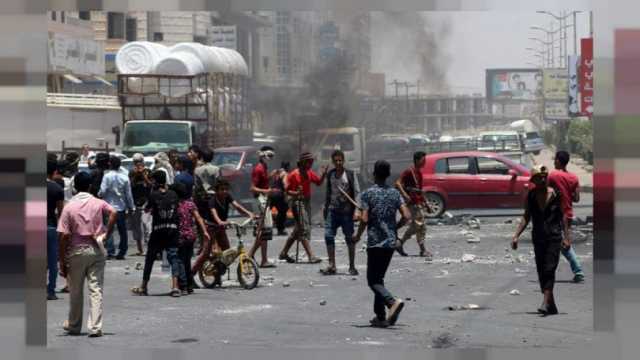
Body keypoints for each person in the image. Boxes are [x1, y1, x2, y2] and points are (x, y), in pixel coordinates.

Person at [57, 171, 118, 337]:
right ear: (90, 186)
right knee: (96, 289)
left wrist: (62, 260)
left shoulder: (69, 206)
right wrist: (106, 234)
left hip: (76, 251)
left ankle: (74, 325)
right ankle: (95, 327)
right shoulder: (98, 203)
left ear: (75, 187)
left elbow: (63, 236)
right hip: (96, 249)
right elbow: (114, 212)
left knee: (76, 291)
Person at [355, 160, 410, 328]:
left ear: (374, 174)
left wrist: (357, 235)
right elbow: (407, 216)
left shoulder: (367, 194)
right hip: (390, 243)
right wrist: (395, 227)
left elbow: (364, 219)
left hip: (375, 243)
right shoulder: (394, 193)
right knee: (379, 279)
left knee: (373, 281)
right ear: (387, 174)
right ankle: (380, 317)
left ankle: (392, 302)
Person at [512, 165, 569, 316]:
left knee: (550, 268)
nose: (543, 179)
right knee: (541, 270)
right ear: (534, 180)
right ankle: (551, 305)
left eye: (545, 176)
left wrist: (567, 237)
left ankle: (545, 302)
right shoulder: (531, 195)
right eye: (539, 177)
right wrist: (516, 235)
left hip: (554, 237)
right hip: (538, 237)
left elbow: (563, 217)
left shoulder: (556, 194)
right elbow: (526, 216)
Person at [131, 170, 183, 297]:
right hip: (172, 230)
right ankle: (175, 287)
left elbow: (147, 209)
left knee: (150, 258)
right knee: (174, 258)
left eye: (152, 180)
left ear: (156, 181)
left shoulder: (153, 195)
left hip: (158, 231)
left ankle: (144, 286)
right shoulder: (173, 194)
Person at [191, 179, 255, 281]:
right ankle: (191, 275)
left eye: (226, 189)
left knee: (227, 251)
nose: (224, 191)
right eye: (222, 189)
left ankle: (218, 271)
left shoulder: (227, 197)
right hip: (210, 228)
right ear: (217, 191)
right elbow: (213, 213)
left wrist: (249, 214)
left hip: (220, 228)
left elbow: (237, 206)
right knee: (206, 253)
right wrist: (220, 221)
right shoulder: (212, 200)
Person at [278, 152, 327, 264]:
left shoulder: (309, 173)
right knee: (303, 228)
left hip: (306, 202)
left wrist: (324, 174)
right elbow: (287, 191)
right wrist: (296, 193)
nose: (311, 163)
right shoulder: (293, 174)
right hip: (297, 202)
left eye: (311, 161)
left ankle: (284, 253)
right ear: (303, 162)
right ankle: (311, 256)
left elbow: (318, 182)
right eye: (309, 161)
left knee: (297, 230)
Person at [320, 150, 361, 276]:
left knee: (350, 239)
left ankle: (352, 266)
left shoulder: (350, 174)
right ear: (333, 161)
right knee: (328, 236)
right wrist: (326, 209)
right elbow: (328, 193)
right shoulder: (331, 174)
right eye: (336, 160)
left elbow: (357, 192)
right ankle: (332, 265)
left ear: (343, 161)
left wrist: (357, 210)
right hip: (333, 211)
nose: (338, 163)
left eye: (340, 160)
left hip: (347, 213)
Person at [548, 150, 585, 283]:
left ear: (558, 161)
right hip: (568, 213)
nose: (554, 161)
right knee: (563, 243)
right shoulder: (574, 178)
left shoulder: (553, 175)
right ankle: (577, 271)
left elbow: (545, 191)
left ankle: (578, 271)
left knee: (558, 243)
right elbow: (576, 198)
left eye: (555, 159)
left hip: (556, 214)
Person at [171, 182, 209, 295]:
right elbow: (198, 218)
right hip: (191, 236)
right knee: (187, 261)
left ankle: (183, 286)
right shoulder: (190, 204)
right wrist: (205, 231)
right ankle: (189, 285)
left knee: (180, 261)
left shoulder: (174, 205)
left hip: (179, 236)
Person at [395, 151, 432, 258]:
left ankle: (401, 243)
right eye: (423, 160)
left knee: (418, 226)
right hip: (413, 203)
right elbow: (397, 183)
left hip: (418, 202)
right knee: (420, 226)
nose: (424, 162)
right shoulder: (409, 171)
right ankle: (420, 249)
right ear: (417, 160)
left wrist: (427, 204)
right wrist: (405, 195)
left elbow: (420, 191)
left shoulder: (419, 173)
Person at [247, 146, 278, 268]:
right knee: (263, 230)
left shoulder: (264, 168)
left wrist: (271, 176)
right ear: (263, 155)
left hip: (264, 200)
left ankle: (262, 259)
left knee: (265, 231)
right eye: (269, 156)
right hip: (259, 201)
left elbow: (263, 182)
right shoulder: (258, 169)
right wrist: (267, 191)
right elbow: (252, 188)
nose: (271, 159)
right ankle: (251, 255)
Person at [99, 155, 135, 260]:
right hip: (121, 208)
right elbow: (129, 195)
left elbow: (102, 191)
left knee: (108, 229)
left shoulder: (106, 176)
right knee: (122, 230)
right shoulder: (124, 177)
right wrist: (131, 207)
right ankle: (122, 251)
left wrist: (99, 194)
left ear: (110, 164)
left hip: (108, 207)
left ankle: (110, 251)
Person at [193, 148, 220, 257]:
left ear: (202, 157)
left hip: (201, 199)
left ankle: (203, 246)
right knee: (213, 222)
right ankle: (215, 246)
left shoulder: (197, 170)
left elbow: (197, 186)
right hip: (213, 197)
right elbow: (218, 184)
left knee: (202, 223)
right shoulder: (216, 169)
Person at [47, 159, 65, 300]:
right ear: (54, 172)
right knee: (53, 261)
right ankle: (51, 290)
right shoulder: (57, 189)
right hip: (51, 226)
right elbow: (61, 212)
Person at [129, 153, 152, 256]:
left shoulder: (148, 172)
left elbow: (150, 184)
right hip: (135, 202)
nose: (137, 164)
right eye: (135, 162)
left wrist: (143, 175)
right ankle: (140, 249)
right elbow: (130, 185)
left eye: (139, 161)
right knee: (136, 226)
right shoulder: (131, 172)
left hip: (146, 201)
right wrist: (135, 175)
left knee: (146, 225)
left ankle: (149, 248)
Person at [271, 161, 290, 236]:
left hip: (271, 193)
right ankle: (280, 229)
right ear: (287, 167)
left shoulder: (275, 172)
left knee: (266, 212)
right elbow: (285, 185)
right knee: (283, 211)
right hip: (279, 195)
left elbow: (268, 180)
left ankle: (260, 227)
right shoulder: (285, 173)